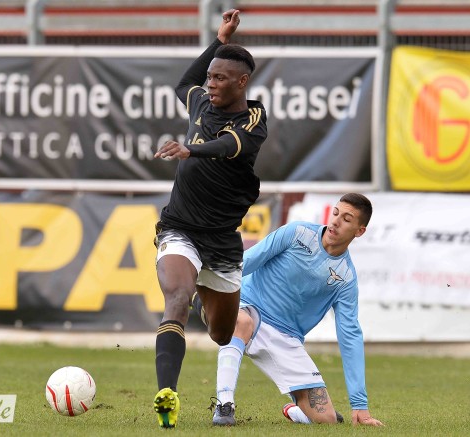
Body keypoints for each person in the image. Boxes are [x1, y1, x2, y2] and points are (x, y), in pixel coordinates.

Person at [151, 8, 268, 429]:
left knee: (221, 333)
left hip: (221, 240)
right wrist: (219, 41)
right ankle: (167, 397)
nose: (211, 84)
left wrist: (190, 150)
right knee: (176, 298)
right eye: (211, 76)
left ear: (242, 82)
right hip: (180, 227)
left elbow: (229, 146)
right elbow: (185, 83)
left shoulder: (253, 119)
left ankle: (205, 295)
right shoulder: (200, 101)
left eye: (220, 78)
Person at [208, 193, 384, 427]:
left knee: (327, 421)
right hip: (248, 307)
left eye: (347, 219)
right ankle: (224, 404)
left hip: (286, 337)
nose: (335, 221)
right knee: (241, 322)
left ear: (359, 231)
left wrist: (360, 405)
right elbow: (246, 262)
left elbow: (350, 335)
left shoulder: (346, 278)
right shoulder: (297, 232)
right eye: (335, 213)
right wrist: (210, 287)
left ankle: (295, 411)